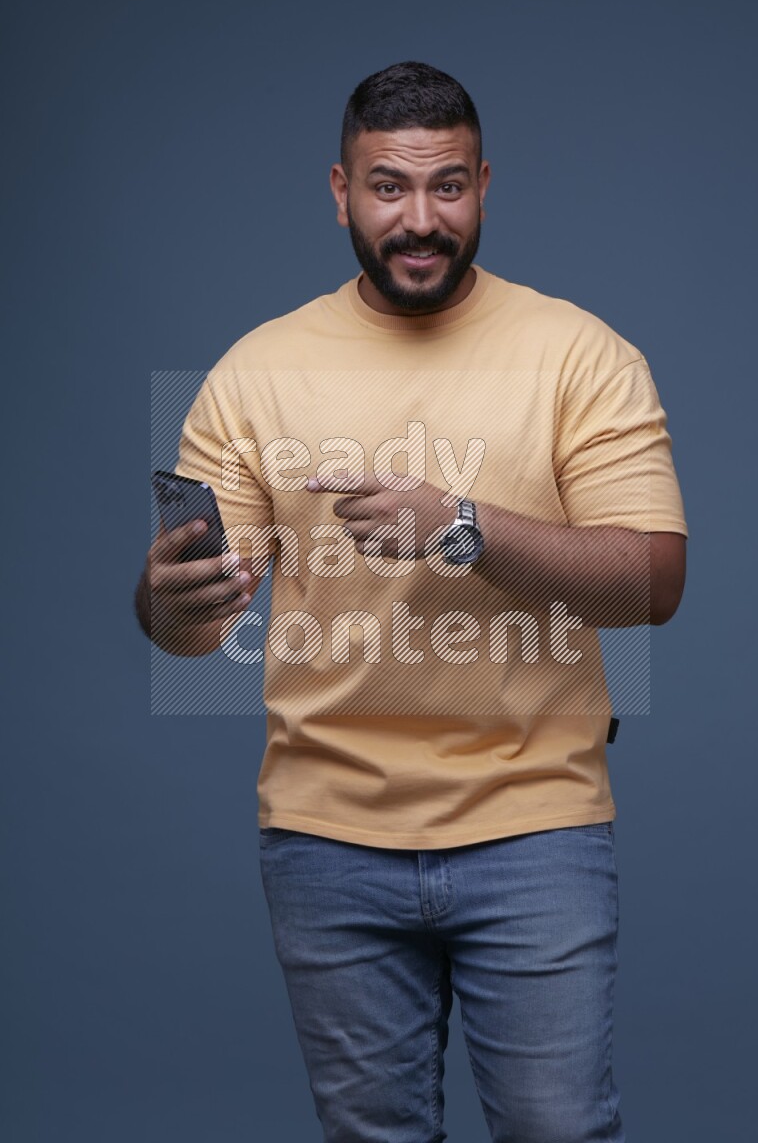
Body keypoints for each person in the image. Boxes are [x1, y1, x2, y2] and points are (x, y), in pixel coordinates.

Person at [135, 61, 687, 1143]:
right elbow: (190, 630)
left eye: (446, 188)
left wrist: (459, 527)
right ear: (338, 192)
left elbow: (651, 582)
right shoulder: (254, 373)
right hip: (324, 834)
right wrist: (169, 596)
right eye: (388, 188)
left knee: (557, 1132)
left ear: (483, 185)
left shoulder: (578, 355)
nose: (419, 220)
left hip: (533, 823)